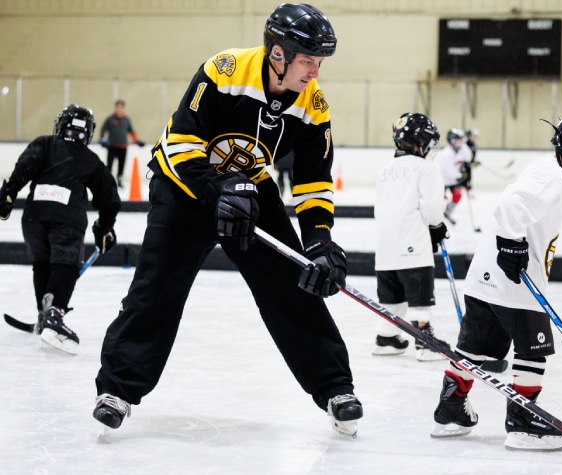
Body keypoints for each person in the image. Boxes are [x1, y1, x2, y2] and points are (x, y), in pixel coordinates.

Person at [92, 3, 363, 439]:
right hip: (185, 188)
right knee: (157, 287)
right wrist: (220, 191)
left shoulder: (313, 104)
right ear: (279, 54)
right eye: (308, 61)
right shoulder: (224, 70)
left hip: (250, 189)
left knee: (292, 283)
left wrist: (319, 241)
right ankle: (118, 391)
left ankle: (335, 388)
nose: (315, 72)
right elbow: (180, 143)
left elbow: (314, 181)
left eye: (320, 63)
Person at [430, 108, 562, 451]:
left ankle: (451, 407)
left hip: (484, 280)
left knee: (475, 349)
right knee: (533, 350)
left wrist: (509, 244)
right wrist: (512, 243)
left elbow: (512, 205)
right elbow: (511, 204)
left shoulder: (548, 170)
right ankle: (523, 420)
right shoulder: (556, 177)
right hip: (515, 287)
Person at [0, 104, 120, 354]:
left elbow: (25, 165)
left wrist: (9, 194)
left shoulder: (44, 144)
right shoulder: (91, 160)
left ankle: (45, 316)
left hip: (34, 217)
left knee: (42, 264)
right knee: (64, 264)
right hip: (67, 218)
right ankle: (54, 316)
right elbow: (109, 197)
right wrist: (105, 227)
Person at [372, 112, 450, 361]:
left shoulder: (385, 169)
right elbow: (431, 207)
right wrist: (437, 226)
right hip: (413, 245)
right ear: (421, 142)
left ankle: (386, 338)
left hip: (385, 248)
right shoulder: (426, 168)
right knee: (419, 296)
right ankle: (424, 340)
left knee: (392, 297)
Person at [99, 99, 145, 189]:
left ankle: (119, 181)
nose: (119, 109)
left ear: (123, 108)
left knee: (121, 165)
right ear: (115, 107)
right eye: (118, 107)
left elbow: (131, 131)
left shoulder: (126, 120)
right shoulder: (110, 119)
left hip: (123, 147)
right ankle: (108, 182)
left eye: (121, 107)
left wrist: (137, 141)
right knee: (109, 165)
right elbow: (104, 130)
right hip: (112, 147)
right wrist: (102, 140)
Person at [439, 128, 473, 224]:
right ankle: (437, 216)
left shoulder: (463, 150)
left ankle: (447, 211)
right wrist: (461, 178)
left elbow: (468, 159)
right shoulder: (446, 154)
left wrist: (467, 177)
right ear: (452, 141)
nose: (461, 143)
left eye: (461, 140)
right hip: (443, 180)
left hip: (454, 179)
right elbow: (449, 172)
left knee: (457, 195)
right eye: (458, 140)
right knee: (439, 198)